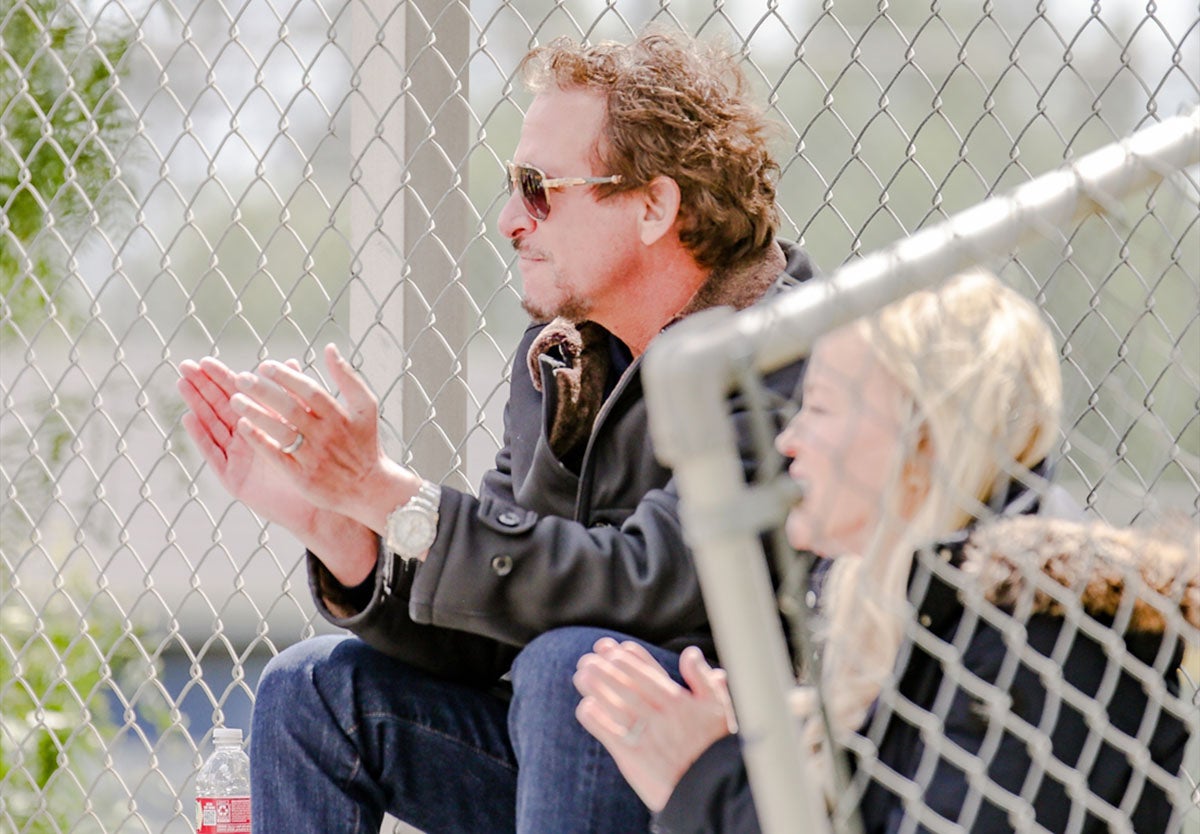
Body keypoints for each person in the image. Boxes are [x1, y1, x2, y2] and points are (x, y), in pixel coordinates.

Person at [177, 28, 814, 834]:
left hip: (748, 786)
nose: (512, 218)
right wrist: (344, 530)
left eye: (541, 186)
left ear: (655, 204)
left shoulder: (782, 346)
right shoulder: (565, 358)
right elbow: (490, 625)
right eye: (516, 185)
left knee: (569, 669)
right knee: (312, 691)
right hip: (573, 763)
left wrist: (392, 492)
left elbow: (656, 583)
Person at [573, 269, 1198, 833]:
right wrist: (758, 760)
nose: (790, 440)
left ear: (923, 438)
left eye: (818, 408)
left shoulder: (1042, 635)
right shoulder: (907, 604)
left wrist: (710, 778)